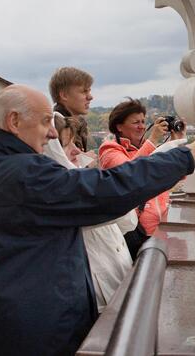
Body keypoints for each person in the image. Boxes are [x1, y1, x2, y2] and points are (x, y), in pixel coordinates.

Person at [0, 85, 195, 356]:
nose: (52, 133)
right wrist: (189, 155)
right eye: (44, 122)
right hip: (39, 335)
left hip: (15, 327)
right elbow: (106, 190)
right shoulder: (21, 175)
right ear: (14, 121)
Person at [48, 113, 136, 312]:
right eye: (66, 145)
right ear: (52, 151)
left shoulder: (78, 178)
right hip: (98, 294)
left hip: (115, 281)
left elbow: (129, 222)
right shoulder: (61, 191)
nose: (77, 150)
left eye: (75, 143)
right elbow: (120, 211)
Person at [99, 99, 185, 253]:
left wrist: (177, 142)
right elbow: (129, 173)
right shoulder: (109, 150)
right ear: (119, 127)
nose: (142, 127)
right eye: (135, 122)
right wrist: (153, 140)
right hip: (136, 232)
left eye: (143, 122)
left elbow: (179, 175)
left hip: (162, 228)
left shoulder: (152, 149)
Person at [48, 66, 93, 151]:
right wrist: (87, 162)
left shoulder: (78, 124)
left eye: (89, 91)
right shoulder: (56, 128)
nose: (90, 97)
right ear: (64, 95)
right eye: (84, 91)